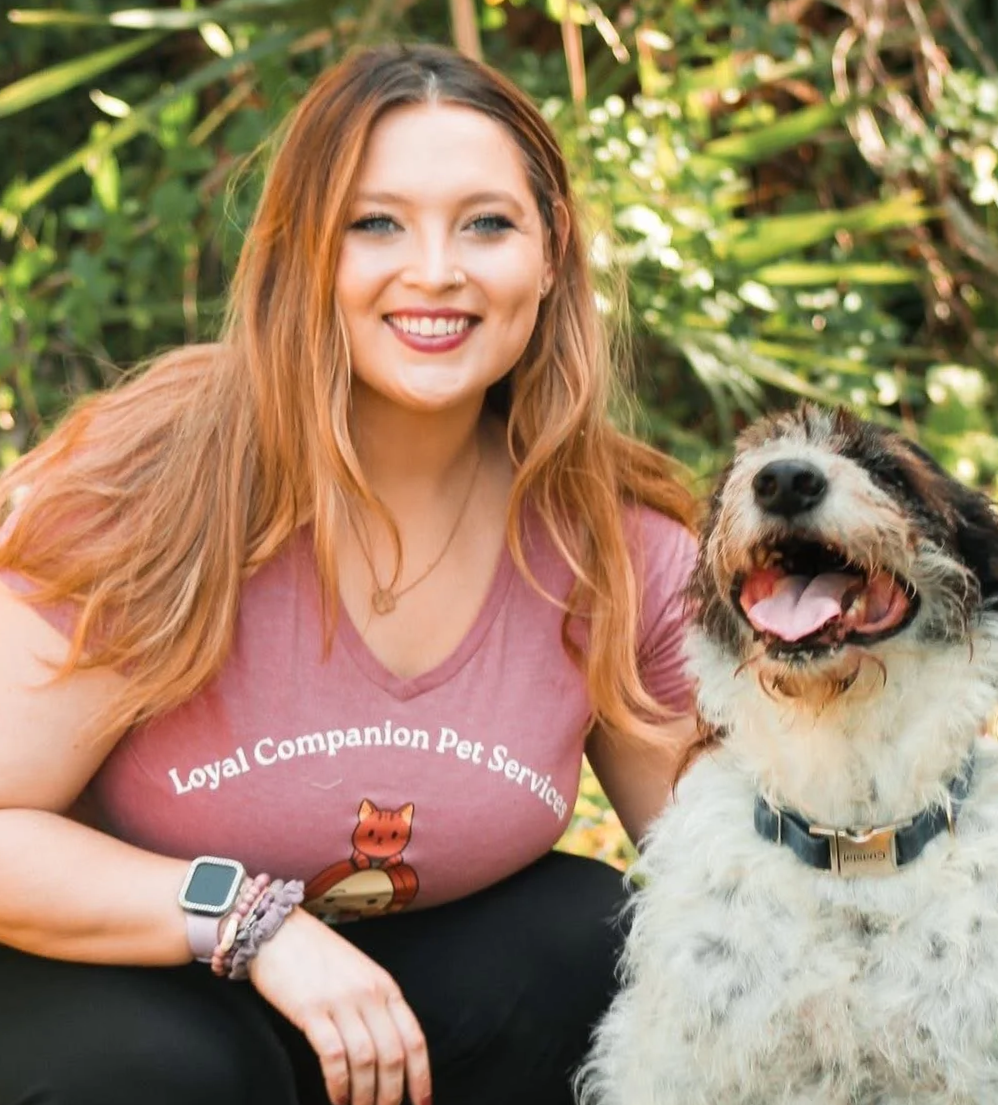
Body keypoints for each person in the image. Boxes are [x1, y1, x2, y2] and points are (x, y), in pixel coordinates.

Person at [0, 41, 699, 1105]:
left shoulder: (610, 540)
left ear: (550, 254)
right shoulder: (154, 484)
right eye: (376, 223)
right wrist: (250, 923)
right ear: (302, 252)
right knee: (175, 1070)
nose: (436, 270)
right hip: (110, 975)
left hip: (395, 998)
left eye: (487, 223)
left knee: (585, 943)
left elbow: (724, 862)